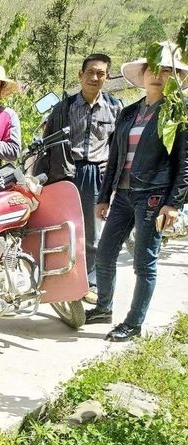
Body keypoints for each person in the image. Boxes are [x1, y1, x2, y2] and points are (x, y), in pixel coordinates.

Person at [84, 41, 188, 342]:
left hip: (153, 196)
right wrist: (104, 195)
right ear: (142, 74)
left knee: (144, 262)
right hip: (123, 194)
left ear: (177, 77)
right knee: (104, 255)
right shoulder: (129, 112)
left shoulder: (178, 113)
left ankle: (134, 323)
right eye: (152, 69)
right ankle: (103, 307)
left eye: (166, 70)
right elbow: (115, 157)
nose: (157, 75)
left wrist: (174, 203)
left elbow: (185, 162)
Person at [34, 53, 123, 304]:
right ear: (80, 75)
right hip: (66, 173)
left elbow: (120, 144)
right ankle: (62, 280)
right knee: (64, 228)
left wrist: (112, 165)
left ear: (107, 77)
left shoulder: (115, 108)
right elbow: (47, 143)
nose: (94, 77)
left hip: (96, 174)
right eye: (90, 72)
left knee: (93, 233)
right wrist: (43, 179)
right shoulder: (64, 107)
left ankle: (90, 282)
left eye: (100, 73)